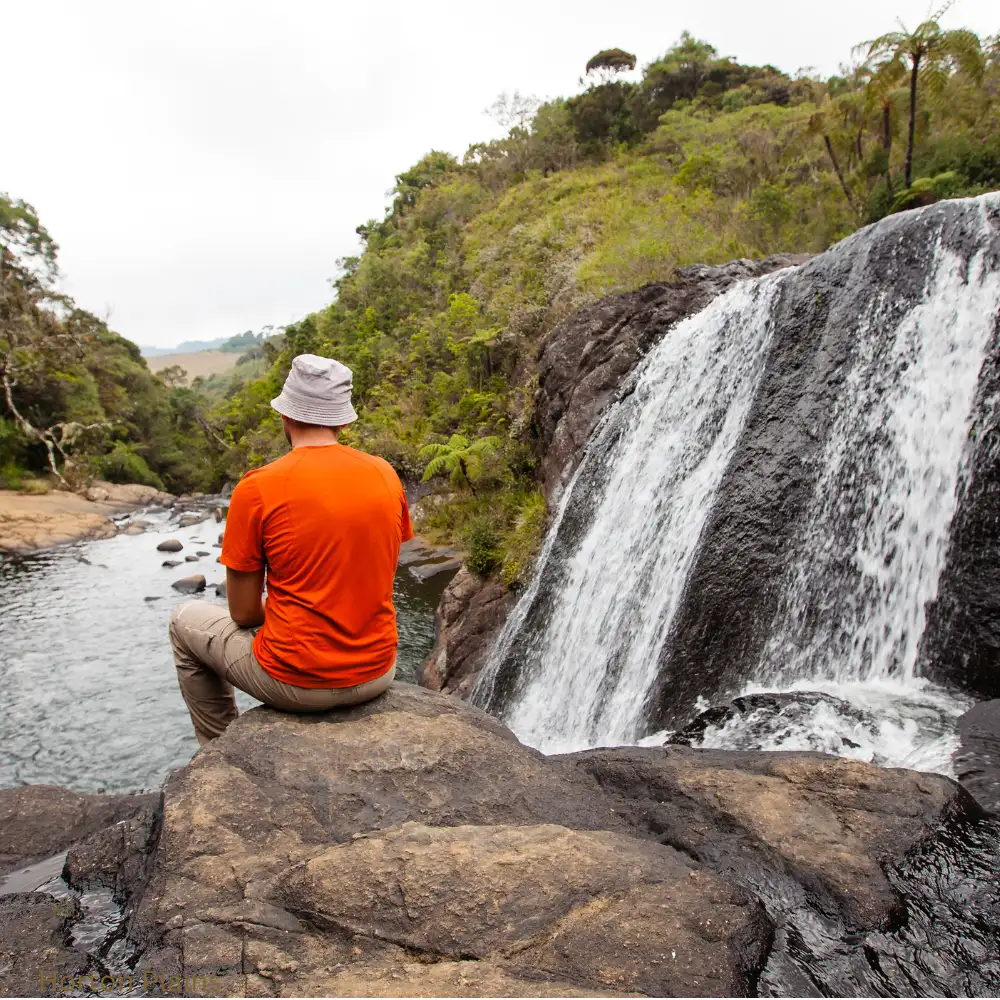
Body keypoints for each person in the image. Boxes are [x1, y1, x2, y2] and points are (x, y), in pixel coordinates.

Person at [169, 354, 413, 745]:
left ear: (285, 415)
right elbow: (377, 570)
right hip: (378, 672)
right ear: (344, 420)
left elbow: (244, 613)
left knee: (183, 621)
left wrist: (295, 608)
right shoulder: (384, 473)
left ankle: (219, 751)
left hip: (296, 683)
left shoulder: (258, 488)